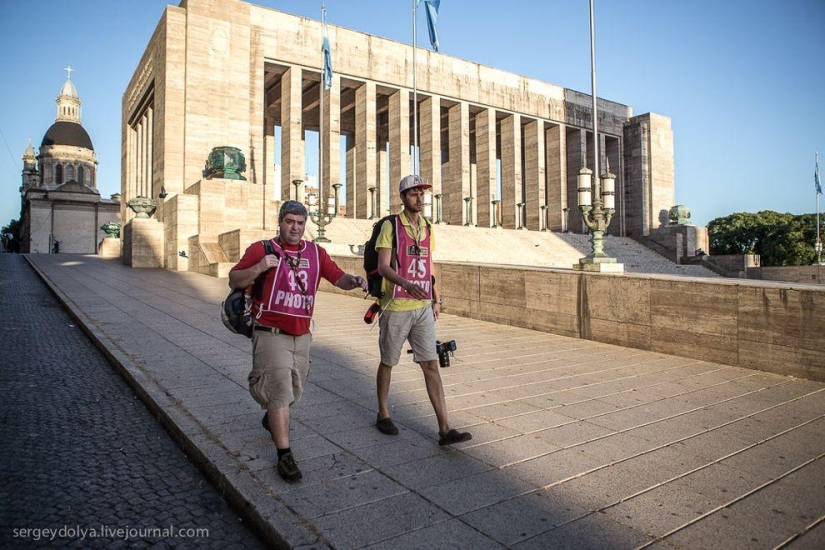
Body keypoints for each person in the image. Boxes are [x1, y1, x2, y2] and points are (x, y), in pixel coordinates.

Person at [229, 200, 367, 482]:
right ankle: (285, 455)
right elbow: (234, 279)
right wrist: (258, 268)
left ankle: (272, 417)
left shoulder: (316, 252)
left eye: (300, 223)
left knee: (295, 387)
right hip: (270, 332)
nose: (295, 228)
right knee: (279, 389)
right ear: (280, 222)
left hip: (302, 333)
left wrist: (353, 280)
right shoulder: (262, 249)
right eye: (290, 222)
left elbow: (336, 277)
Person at [373, 175, 472, 446]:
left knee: (430, 364)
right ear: (403, 197)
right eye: (414, 194)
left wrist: (436, 298)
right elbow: (383, 266)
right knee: (388, 362)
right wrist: (405, 283)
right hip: (396, 306)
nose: (420, 198)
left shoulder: (428, 227)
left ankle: (445, 428)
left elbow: (429, 265)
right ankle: (383, 413)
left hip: (422, 307)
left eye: (422, 194)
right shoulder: (391, 226)